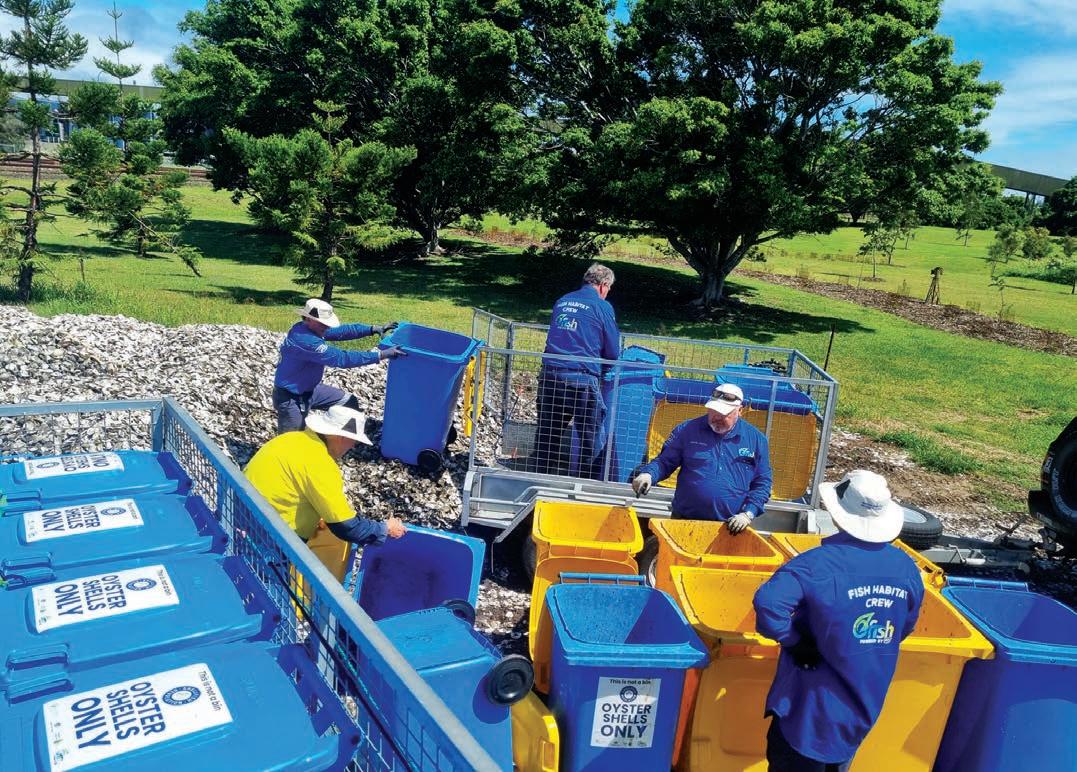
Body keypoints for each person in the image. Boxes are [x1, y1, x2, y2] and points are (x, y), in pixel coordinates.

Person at [753, 470, 924, 771]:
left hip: (809, 709)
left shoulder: (815, 564)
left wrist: (796, 642)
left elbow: (768, 605)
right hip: (863, 703)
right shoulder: (906, 568)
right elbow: (905, 626)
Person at [245, 403, 406, 546]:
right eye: (354, 440)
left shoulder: (289, 439)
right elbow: (346, 527)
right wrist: (384, 529)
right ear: (342, 437)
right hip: (268, 539)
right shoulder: (321, 464)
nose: (354, 445)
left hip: (241, 515)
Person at [632, 383, 771, 533]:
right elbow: (665, 461)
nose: (716, 417)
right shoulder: (687, 430)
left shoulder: (756, 440)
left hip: (730, 527)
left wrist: (747, 514)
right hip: (684, 520)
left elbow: (762, 482)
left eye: (723, 413)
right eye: (713, 411)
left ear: (740, 410)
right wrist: (648, 474)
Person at [534, 263, 621, 478]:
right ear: (603, 285)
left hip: (552, 374)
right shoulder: (603, 307)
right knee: (589, 436)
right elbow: (613, 350)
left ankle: (539, 479)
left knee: (548, 431)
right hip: (582, 378)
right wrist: (604, 370)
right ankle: (583, 485)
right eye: (608, 289)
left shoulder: (563, 301)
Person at [273, 298, 404, 433]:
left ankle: (345, 438)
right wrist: (380, 355)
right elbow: (342, 359)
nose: (327, 327)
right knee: (291, 440)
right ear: (307, 319)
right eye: (323, 323)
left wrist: (372, 329)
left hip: (310, 390)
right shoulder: (305, 341)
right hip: (291, 397)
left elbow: (342, 331)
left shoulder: (312, 328)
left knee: (348, 402)